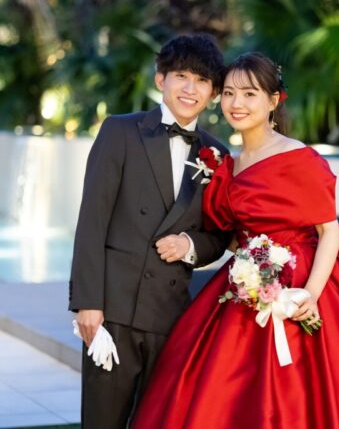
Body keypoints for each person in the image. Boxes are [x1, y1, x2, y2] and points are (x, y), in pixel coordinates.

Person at [132, 52, 339, 428]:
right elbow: (233, 238)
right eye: (229, 93)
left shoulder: (299, 158)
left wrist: (310, 295)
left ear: (273, 101)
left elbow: (329, 231)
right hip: (248, 282)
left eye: (249, 94)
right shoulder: (228, 164)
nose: (236, 103)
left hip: (306, 283)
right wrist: (205, 247)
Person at [68, 33, 231, 428]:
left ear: (213, 93)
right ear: (161, 79)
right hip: (113, 312)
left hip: (170, 317)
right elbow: (92, 221)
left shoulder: (218, 154)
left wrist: (190, 244)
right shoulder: (120, 131)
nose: (190, 89)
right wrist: (87, 304)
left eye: (202, 80)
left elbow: (221, 234)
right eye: (181, 76)